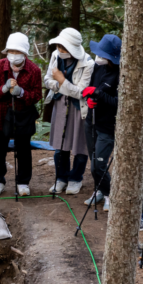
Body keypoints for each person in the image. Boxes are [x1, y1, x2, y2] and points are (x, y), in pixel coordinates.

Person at [0, 32, 43, 196]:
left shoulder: (34, 70)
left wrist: (21, 92)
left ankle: (23, 182)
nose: (14, 55)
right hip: (1, 114)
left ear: (24, 53)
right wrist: (3, 89)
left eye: (18, 52)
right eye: (11, 51)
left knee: (24, 150)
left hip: (23, 116)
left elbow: (37, 95)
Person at [44, 27, 94, 195]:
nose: (60, 50)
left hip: (79, 108)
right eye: (59, 46)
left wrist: (61, 81)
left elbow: (81, 92)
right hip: (60, 105)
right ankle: (61, 178)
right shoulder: (55, 55)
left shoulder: (88, 63)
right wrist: (61, 85)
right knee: (60, 144)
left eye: (63, 48)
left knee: (80, 145)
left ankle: (76, 178)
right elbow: (47, 80)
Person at [80, 34, 122, 211]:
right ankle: (99, 190)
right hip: (92, 120)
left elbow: (118, 103)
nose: (98, 57)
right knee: (94, 162)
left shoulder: (121, 74)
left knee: (99, 164)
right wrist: (91, 99)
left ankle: (109, 194)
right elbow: (90, 89)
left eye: (103, 54)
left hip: (107, 126)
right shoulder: (97, 68)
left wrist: (98, 94)